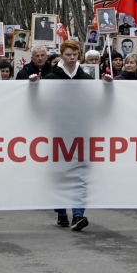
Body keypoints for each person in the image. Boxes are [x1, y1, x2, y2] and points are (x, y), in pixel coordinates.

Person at [30, 40, 101, 231]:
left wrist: (108, 87)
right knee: (59, 174)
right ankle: (62, 212)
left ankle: (78, 215)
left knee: (80, 175)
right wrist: (34, 88)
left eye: (75, 54)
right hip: (57, 134)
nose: (71, 58)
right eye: (68, 54)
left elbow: (96, 105)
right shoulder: (51, 79)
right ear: (61, 55)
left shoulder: (86, 79)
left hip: (81, 134)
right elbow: (40, 106)